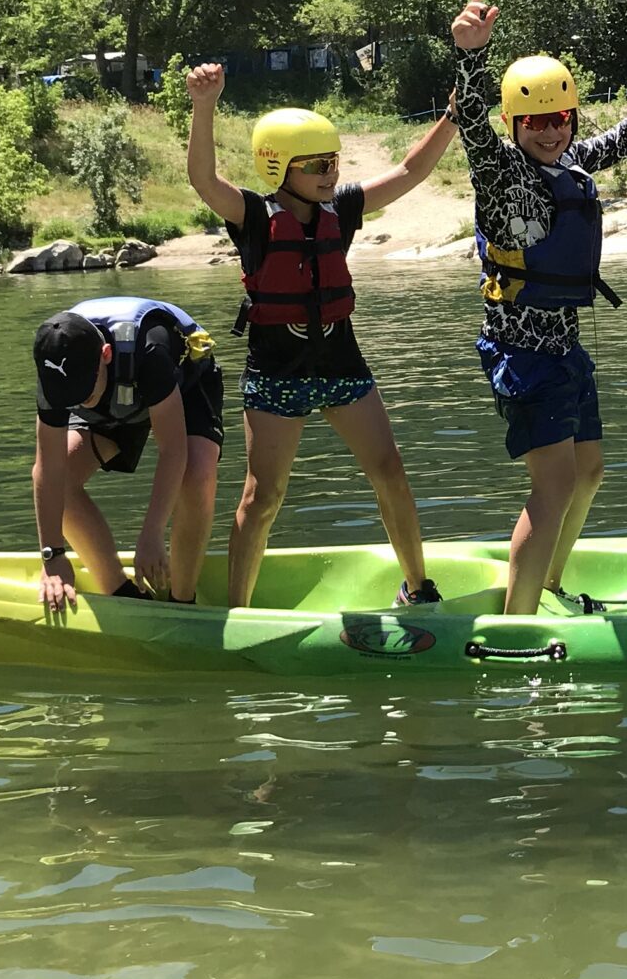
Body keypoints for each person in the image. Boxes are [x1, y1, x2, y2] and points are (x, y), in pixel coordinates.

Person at [447, 0, 627, 615]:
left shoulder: (571, 166)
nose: (549, 131)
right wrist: (470, 56)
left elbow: (623, 138)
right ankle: (515, 622)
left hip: (565, 349)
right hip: (522, 352)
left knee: (589, 469)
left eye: (559, 119)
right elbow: (470, 126)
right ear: (516, 125)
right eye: (535, 122)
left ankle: (546, 587)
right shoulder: (500, 171)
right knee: (554, 485)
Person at [185, 68, 461, 610]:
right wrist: (205, 106)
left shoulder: (344, 209)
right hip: (277, 377)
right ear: (277, 167)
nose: (330, 174)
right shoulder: (254, 216)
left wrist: (451, 117)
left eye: (333, 163)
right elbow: (203, 181)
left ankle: (418, 588)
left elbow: (409, 171)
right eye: (316, 166)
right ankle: (238, 610)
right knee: (262, 497)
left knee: (391, 474)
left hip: (342, 368)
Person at [29, 296, 226, 610]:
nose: (79, 401)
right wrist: (52, 556)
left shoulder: (151, 351)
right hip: (118, 396)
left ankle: (183, 601)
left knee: (198, 473)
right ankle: (123, 594)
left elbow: (173, 451)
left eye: (84, 392)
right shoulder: (56, 370)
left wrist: (152, 533)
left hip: (184, 382)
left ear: (105, 355)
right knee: (63, 476)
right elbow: (46, 469)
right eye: (70, 397)